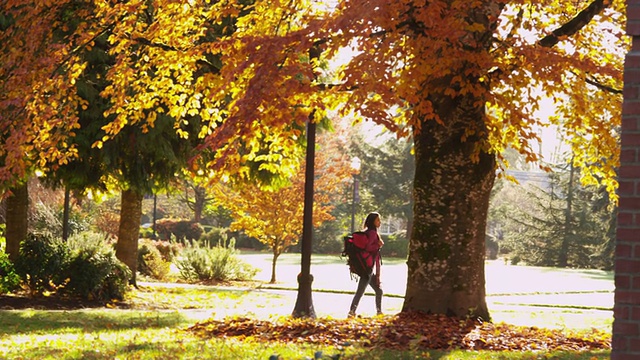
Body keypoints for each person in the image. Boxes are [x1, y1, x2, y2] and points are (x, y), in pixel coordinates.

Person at [348, 212, 384, 317]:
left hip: (367, 267)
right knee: (361, 291)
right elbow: (368, 248)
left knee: (378, 290)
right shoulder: (372, 233)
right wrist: (378, 245)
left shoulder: (368, 232)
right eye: (378, 220)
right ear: (373, 221)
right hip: (367, 269)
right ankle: (351, 311)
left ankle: (379, 312)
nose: (379, 222)